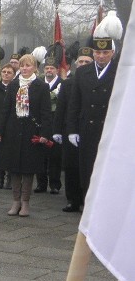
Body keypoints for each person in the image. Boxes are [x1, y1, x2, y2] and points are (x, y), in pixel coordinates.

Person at [66, 13, 122, 201]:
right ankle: (87, 205)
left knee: (109, 172)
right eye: (97, 52)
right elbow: (75, 104)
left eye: (105, 52)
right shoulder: (82, 72)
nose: (101, 56)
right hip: (87, 129)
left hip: (110, 130)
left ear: (112, 53)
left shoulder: (120, 72)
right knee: (88, 169)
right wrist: (72, 130)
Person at [0, 54, 52, 217]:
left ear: (34, 68)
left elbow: (46, 113)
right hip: (13, 130)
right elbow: (5, 109)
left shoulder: (41, 86)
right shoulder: (13, 85)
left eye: (28, 66)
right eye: (22, 66)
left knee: (27, 169)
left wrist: (44, 134)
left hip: (31, 132)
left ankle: (25, 202)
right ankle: (15, 201)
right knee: (14, 168)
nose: (24, 69)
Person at [55, 47, 93, 212]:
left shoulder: (95, 82)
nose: (83, 64)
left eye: (87, 62)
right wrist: (57, 130)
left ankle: (87, 199)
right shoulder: (68, 83)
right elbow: (61, 108)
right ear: (76, 64)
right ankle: (72, 199)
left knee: (88, 167)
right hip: (70, 128)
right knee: (71, 166)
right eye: (81, 61)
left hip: (89, 129)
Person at [35, 56, 63, 194]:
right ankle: (41, 183)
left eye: (52, 68)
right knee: (40, 155)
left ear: (57, 70)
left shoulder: (62, 84)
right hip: (41, 123)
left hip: (56, 123)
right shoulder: (38, 83)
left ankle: (55, 184)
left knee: (55, 156)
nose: (49, 71)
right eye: (47, 68)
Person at [0, 63, 16, 189]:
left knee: (11, 152)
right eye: (4, 72)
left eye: (9, 72)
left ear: (14, 75)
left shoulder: (16, 89)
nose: (6, 74)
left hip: (11, 125)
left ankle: (10, 178)